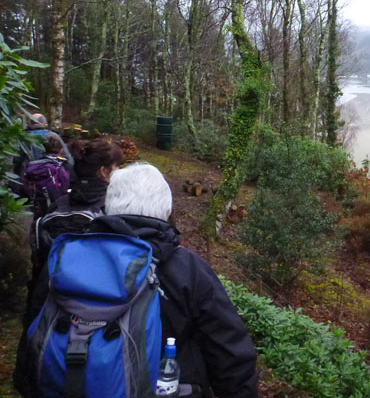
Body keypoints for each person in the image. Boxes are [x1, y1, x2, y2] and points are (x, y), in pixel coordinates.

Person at [16, 163, 258, 398]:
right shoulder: (186, 269)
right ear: (166, 209)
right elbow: (229, 353)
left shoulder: (66, 258)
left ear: (108, 205)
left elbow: (34, 328)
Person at [29, 137, 124, 291]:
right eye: (116, 167)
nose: (119, 172)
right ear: (103, 171)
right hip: (95, 297)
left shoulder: (58, 204)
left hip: (51, 293)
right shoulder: (113, 208)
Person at [21, 137, 70, 218]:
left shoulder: (33, 165)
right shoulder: (63, 165)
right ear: (61, 150)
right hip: (57, 204)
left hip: (36, 203)